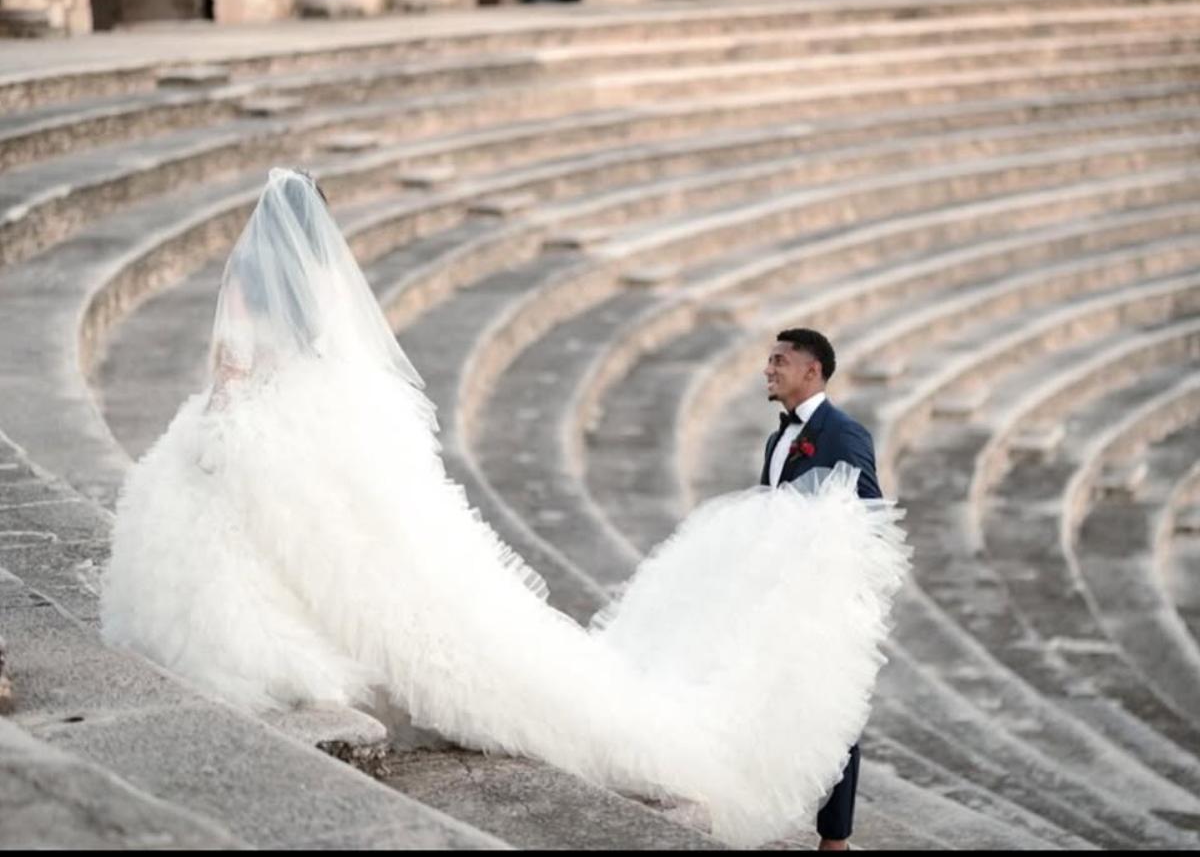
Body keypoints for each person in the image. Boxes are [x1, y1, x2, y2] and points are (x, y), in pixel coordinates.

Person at [100, 168, 910, 848]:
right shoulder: (313, 300)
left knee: (289, 555)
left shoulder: (247, 285)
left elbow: (230, 380)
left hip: (260, 431)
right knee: (349, 565)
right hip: (303, 429)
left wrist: (220, 426)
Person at [763, 328, 882, 851]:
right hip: (776, 594)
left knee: (834, 712)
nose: (768, 369)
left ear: (811, 371)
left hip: (824, 598)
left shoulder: (844, 434)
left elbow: (872, 516)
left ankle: (834, 839)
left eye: (779, 361)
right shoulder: (776, 438)